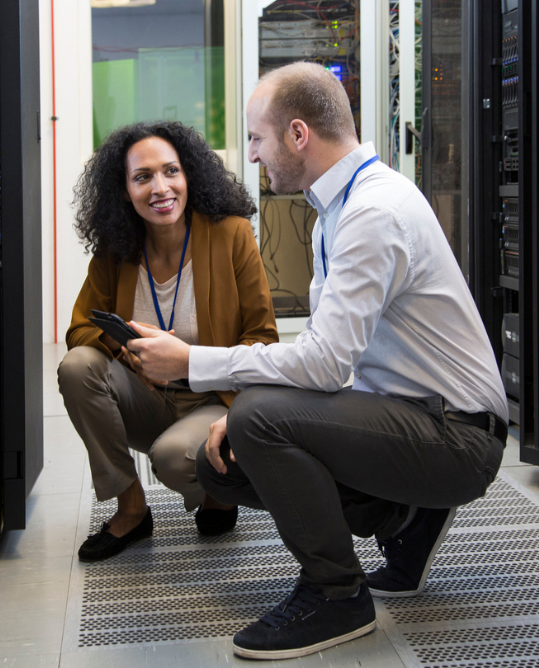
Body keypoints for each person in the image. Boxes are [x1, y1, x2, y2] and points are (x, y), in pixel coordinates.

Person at [128, 62, 508, 660]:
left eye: (257, 138)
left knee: (257, 420)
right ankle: (407, 520)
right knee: (227, 464)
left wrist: (193, 363)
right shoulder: (340, 206)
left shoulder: (370, 213)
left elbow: (326, 364)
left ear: (298, 134)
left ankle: (336, 595)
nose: (252, 155)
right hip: (412, 415)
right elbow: (343, 356)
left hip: (456, 436)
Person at [58, 121, 279, 563]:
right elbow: (79, 330)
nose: (160, 188)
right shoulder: (117, 249)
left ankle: (220, 489)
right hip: (149, 396)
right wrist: (127, 352)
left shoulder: (232, 234)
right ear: (124, 190)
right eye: (142, 177)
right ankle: (132, 507)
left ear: (188, 175)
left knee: (175, 459)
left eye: (170, 171)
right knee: (77, 366)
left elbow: (262, 338)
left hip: (215, 397)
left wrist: (188, 360)